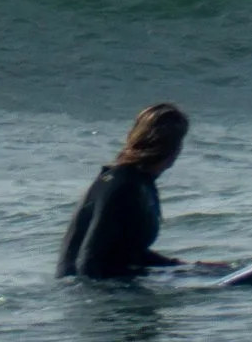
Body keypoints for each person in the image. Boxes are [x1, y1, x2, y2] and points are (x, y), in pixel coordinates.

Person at [58, 103, 189, 278]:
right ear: (173, 148)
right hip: (95, 295)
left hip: (99, 289)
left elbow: (124, 251)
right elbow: (89, 261)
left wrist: (182, 267)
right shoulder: (125, 187)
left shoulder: (127, 180)